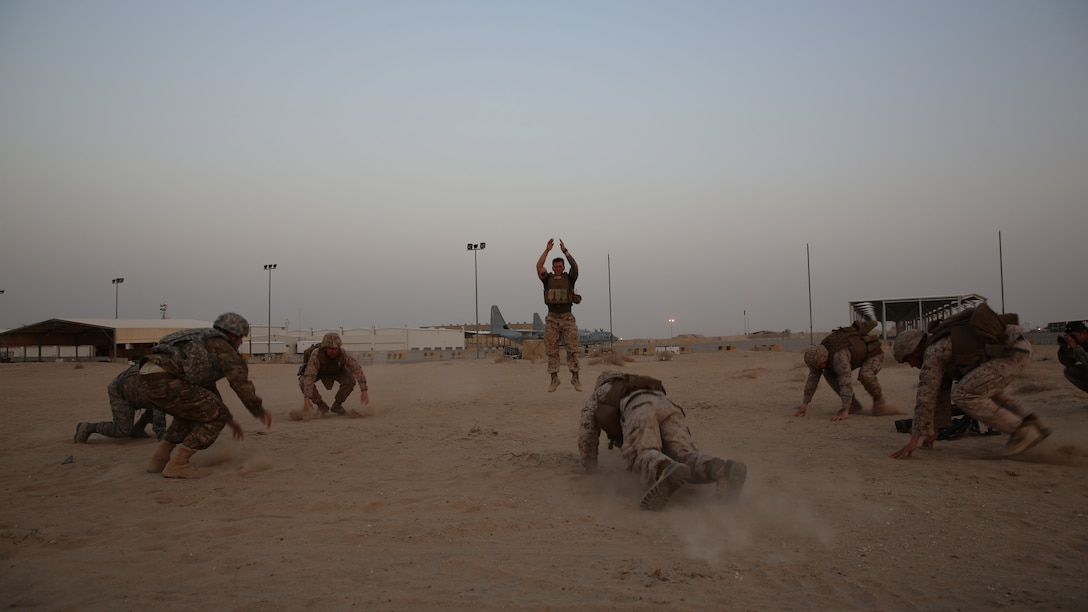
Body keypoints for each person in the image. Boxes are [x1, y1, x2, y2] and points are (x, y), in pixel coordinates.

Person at [890, 305, 1049, 460]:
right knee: (987, 392)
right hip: (1019, 348)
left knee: (963, 394)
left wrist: (914, 440)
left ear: (914, 349)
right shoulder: (940, 344)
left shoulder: (933, 354)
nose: (911, 364)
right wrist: (934, 430)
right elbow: (940, 393)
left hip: (1009, 353)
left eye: (908, 359)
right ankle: (1032, 421)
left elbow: (925, 396)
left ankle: (1021, 431)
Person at [578, 370, 747, 511]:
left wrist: (589, 469)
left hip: (639, 408)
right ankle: (721, 469)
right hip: (669, 405)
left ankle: (665, 469)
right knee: (683, 453)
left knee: (640, 453)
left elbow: (587, 431)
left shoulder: (600, 392)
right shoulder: (638, 383)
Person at [138, 312, 272, 479]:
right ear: (232, 335)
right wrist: (258, 410)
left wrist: (230, 419)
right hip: (167, 380)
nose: (241, 342)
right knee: (215, 415)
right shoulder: (222, 345)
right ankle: (178, 464)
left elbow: (206, 391)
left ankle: (158, 459)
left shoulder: (199, 339)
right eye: (240, 338)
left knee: (192, 412)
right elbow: (240, 383)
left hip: (144, 380)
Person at [794, 320, 895, 421]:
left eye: (820, 365)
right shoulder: (819, 357)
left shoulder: (839, 358)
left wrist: (845, 410)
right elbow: (812, 380)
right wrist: (805, 404)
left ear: (825, 359)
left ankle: (879, 400)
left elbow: (845, 383)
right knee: (828, 373)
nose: (819, 368)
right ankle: (854, 405)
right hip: (855, 357)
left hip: (873, 355)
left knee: (865, 375)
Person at [73, 363, 167, 443]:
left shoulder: (168, 368)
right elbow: (160, 407)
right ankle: (89, 427)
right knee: (122, 429)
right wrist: (163, 436)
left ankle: (138, 428)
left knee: (165, 402)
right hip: (120, 392)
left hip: (138, 392)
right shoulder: (164, 376)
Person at [537, 238, 582, 392]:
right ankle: (554, 379)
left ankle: (575, 378)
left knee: (572, 349)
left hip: (567, 317)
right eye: (555, 266)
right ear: (553, 267)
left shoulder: (569, 278)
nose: (557, 268)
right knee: (552, 350)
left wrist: (565, 251)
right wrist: (547, 250)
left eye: (560, 266)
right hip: (552, 318)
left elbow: (575, 267)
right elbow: (538, 266)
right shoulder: (547, 279)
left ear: (563, 267)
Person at [298, 332, 369, 416]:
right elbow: (309, 376)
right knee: (303, 381)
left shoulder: (343, 354)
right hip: (319, 372)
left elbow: (356, 368)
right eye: (331, 349)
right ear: (325, 348)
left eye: (336, 349)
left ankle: (337, 405)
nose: (334, 351)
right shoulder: (316, 355)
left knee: (350, 381)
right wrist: (307, 398)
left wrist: (364, 390)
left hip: (337, 371)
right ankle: (321, 406)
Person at [1057, 320, 1088, 394]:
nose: (1072, 338)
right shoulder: (1079, 344)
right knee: (1070, 371)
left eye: (1074, 336)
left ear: (1084, 333)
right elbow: (1067, 363)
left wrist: (1076, 348)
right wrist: (1065, 349)